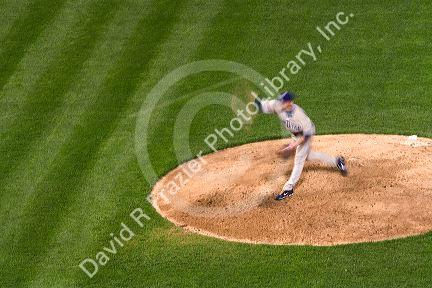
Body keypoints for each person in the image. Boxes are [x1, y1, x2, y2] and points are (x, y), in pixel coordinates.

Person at [254, 91, 348, 200]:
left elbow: (306, 136)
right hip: (295, 136)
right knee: (309, 156)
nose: (280, 103)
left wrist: (292, 146)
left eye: (283, 102)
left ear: (289, 102)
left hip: (305, 137)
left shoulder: (299, 114)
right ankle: (337, 161)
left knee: (299, 159)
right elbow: (262, 105)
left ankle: (288, 188)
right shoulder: (278, 105)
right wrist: (255, 104)